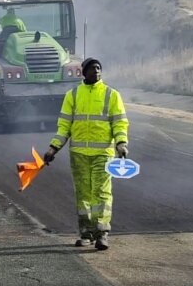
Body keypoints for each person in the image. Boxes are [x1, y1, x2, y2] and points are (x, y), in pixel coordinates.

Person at [41, 58, 129, 250]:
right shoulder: (72, 95)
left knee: (102, 192)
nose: (96, 71)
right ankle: (86, 233)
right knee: (83, 194)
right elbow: (64, 126)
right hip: (79, 154)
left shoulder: (111, 95)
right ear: (83, 73)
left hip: (103, 154)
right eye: (92, 68)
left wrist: (121, 143)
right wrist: (53, 148)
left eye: (99, 68)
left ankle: (102, 233)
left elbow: (119, 123)